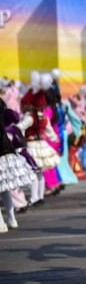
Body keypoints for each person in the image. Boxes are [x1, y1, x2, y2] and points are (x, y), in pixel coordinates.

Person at [0, 99, 37, 232]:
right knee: (5, 190)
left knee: (3, 190)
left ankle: (1, 224)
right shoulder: (5, 118)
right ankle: (11, 219)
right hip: (7, 152)